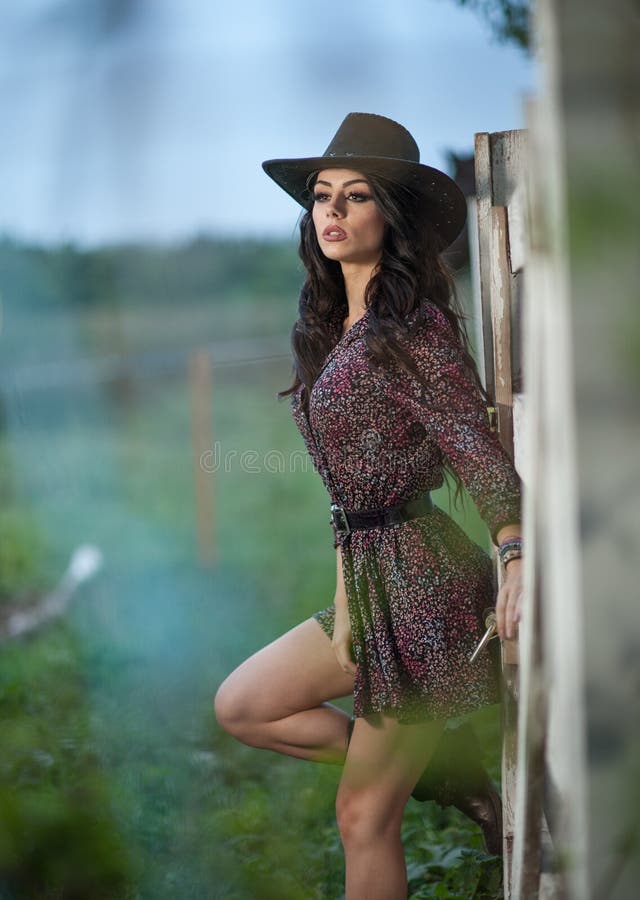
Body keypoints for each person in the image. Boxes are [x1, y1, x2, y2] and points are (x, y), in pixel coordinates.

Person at [214, 112, 524, 900]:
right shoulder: (325, 328)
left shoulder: (409, 328)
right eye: (322, 197)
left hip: (425, 588)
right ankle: (452, 783)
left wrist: (515, 552)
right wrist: (348, 600)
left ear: (391, 216)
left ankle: (425, 782)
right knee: (246, 706)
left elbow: (473, 445)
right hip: (368, 576)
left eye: (356, 197)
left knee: (361, 816)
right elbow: (348, 500)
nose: (334, 213)